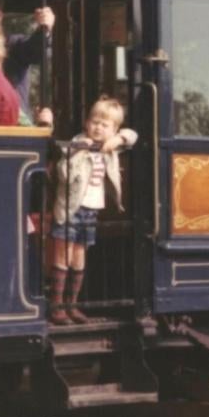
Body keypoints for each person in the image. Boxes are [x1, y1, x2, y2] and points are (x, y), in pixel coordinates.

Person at [49, 96, 137, 324]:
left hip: (91, 210)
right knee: (64, 255)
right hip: (70, 209)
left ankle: (72, 305)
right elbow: (63, 174)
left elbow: (133, 136)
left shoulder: (109, 146)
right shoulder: (78, 144)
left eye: (104, 124)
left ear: (113, 128)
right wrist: (78, 153)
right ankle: (57, 306)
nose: (98, 127)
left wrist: (117, 139)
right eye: (94, 121)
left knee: (79, 257)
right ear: (87, 123)